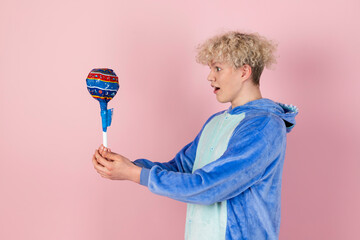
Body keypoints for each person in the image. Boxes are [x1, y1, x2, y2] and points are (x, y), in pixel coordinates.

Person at [92, 30, 299, 240]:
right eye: (211, 69)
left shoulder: (264, 126)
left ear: (244, 72)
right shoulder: (216, 122)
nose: (210, 77)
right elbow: (180, 168)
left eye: (218, 68)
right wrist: (128, 166)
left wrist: (133, 174)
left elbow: (210, 186)